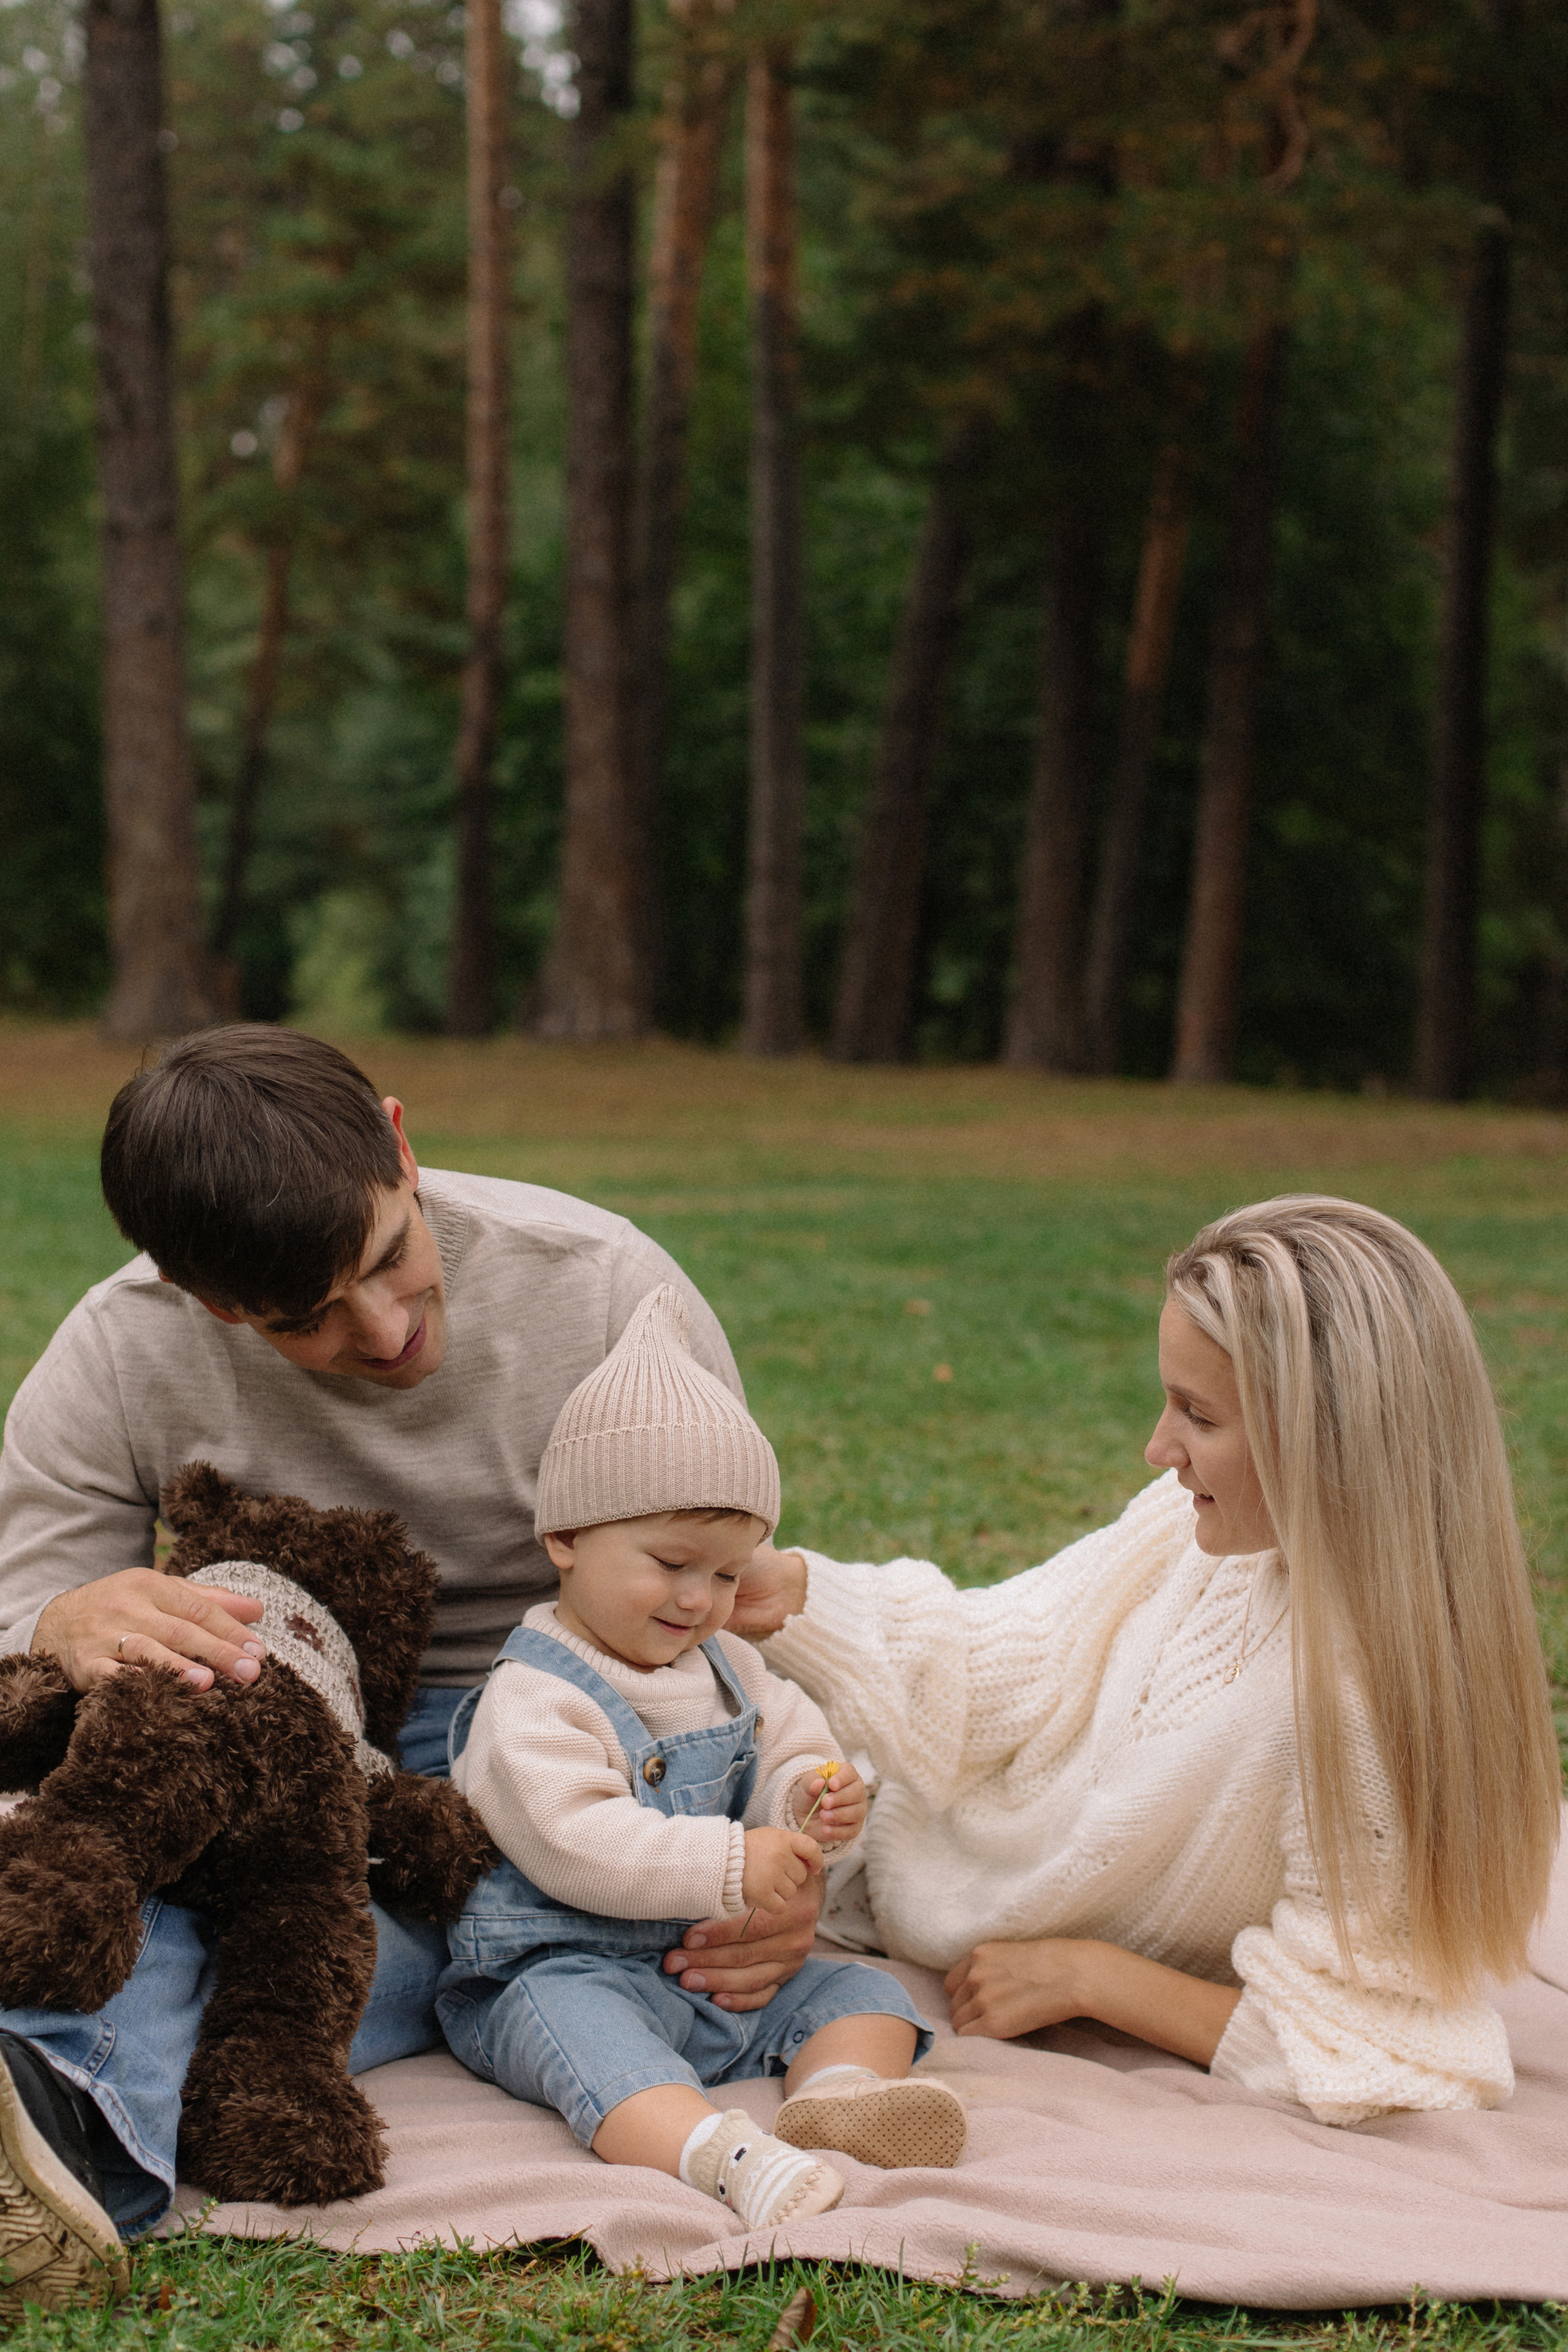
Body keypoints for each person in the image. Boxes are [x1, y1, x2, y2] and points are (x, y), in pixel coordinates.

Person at [0, 1027, 820, 2312]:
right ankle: (56, 2124)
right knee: (123, 1846)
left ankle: (69, 2112)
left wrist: (754, 1868)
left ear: (399, 1139)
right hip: (285, 1732)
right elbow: (25, 1615)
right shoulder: (118, 1347)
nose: (384, 1331)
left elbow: (709, 1603)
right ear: (196, 1292)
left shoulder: (604, 1287)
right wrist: (67, 1615)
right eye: (305, 1318)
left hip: (557, 1736)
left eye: (389, 1258)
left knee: (348, 1937)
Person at [732, 1195, 1562, 2127]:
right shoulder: (1199, 1526)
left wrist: (1093, 1978)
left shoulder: (1357, 1710)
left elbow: (1379, 2042)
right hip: (877, 1819)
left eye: (1198, 1416)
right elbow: (1013, 1655)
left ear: (1329, 1440)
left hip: (884, 1892)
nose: (1157, 1448)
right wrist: (794, 1593)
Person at [437, 1286, 963, 2229]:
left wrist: (809, 1800)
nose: (698, 1600)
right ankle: (718, 2154)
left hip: (713, 1968)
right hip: (565, 1962)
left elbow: (788, 1738)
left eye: (726, 1573)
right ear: (564, 1538)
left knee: (865, 1991)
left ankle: (840, 2093)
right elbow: (574, 1839)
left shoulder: (728, 1664)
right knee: (588, 2043)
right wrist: (731, 1863)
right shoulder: (536, 1696)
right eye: (670, 1562)